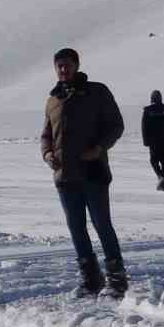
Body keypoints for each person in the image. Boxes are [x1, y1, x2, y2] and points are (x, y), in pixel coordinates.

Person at [40, 48, 127, 298]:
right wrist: (47, 154)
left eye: (67, 65)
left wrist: (99, 148)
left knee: (102, 225)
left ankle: (117, 280)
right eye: (59, 66)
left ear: (77, 65)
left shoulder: (96, 92)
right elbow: (46, 135)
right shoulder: (53, 99)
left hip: (93, 171)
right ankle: (91, 279)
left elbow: (115, 125)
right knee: (77, 229)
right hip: (64, 176)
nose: (63, 70)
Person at [141, 91, 164, 191]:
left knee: (153, 160)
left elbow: (144, 127)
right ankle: (163, 185)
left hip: (154, 142)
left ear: (152, 98)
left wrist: (146, 141)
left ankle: (160, 177)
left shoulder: (148, 111)